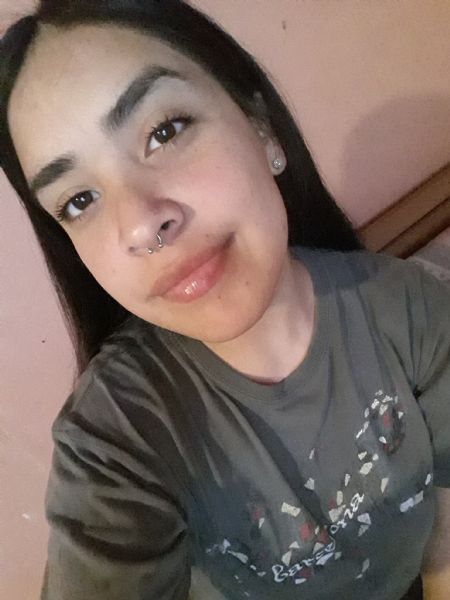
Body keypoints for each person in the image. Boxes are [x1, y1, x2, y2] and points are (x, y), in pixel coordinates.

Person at [1, 1, 449, 598]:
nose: (140, 224)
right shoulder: (115, 447)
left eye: (164, 131)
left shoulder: (409, 309)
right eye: (78, 200)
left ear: (262, 130)